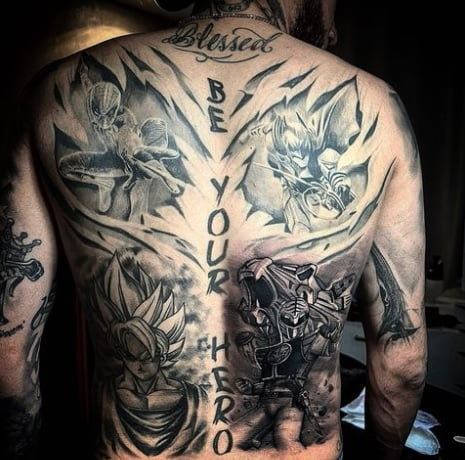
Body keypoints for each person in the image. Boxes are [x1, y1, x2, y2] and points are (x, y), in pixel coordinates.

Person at [0, 1, 427, 459]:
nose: (334, 29)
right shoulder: (378, 108)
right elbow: (403, 365)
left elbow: (9, 356)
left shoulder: (55, 93)